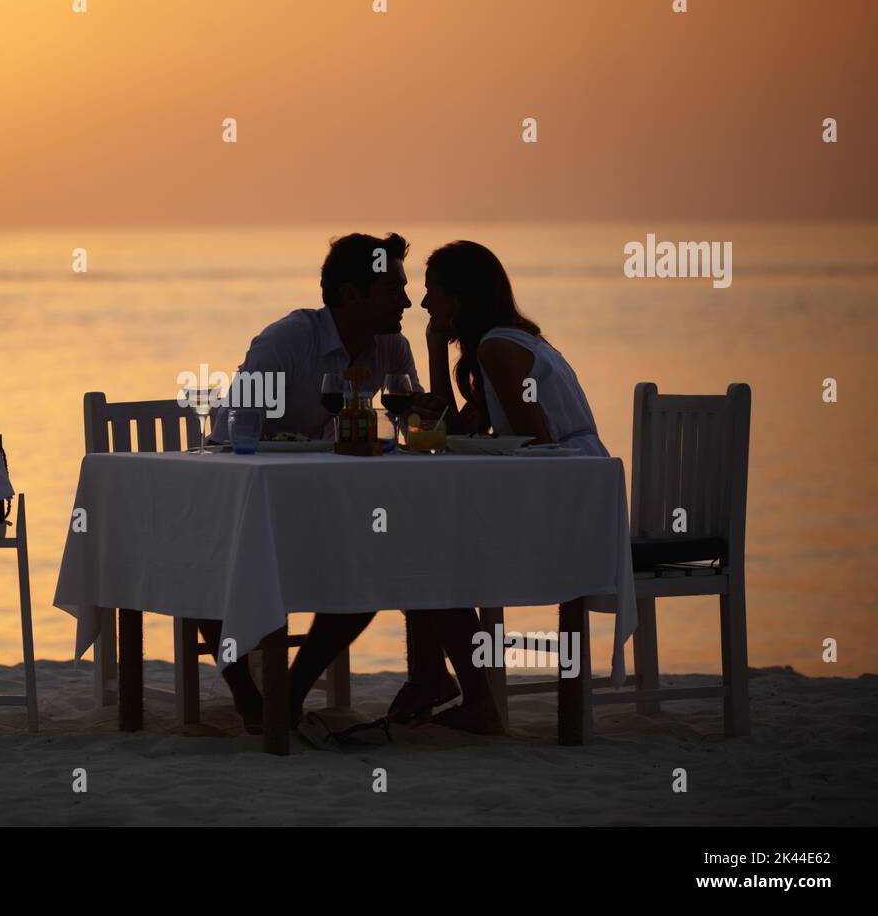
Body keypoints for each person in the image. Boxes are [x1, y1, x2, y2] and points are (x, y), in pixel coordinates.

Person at [203, 232, 423, 731]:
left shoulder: (392, 348)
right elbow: (234, 427)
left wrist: (412, 418)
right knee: (203, 561)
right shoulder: (288, 341)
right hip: (249, 503)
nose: (407, 300)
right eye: (393, 289)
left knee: (370, 569)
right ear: (351, 295)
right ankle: (249, 699)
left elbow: (412, 428)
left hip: (321, 508)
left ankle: (289, 694)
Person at [392, 239, 610, 734]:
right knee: (425, 546)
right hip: (571, 489)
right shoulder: (502, 341)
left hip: (569, 503)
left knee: (428, 557)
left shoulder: (497, 347)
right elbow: (459, 431)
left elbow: (538, 441)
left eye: (434, 294)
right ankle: (443, 684)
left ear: (460, 299)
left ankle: (471, 698)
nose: (425, 306)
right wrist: (432, 348)